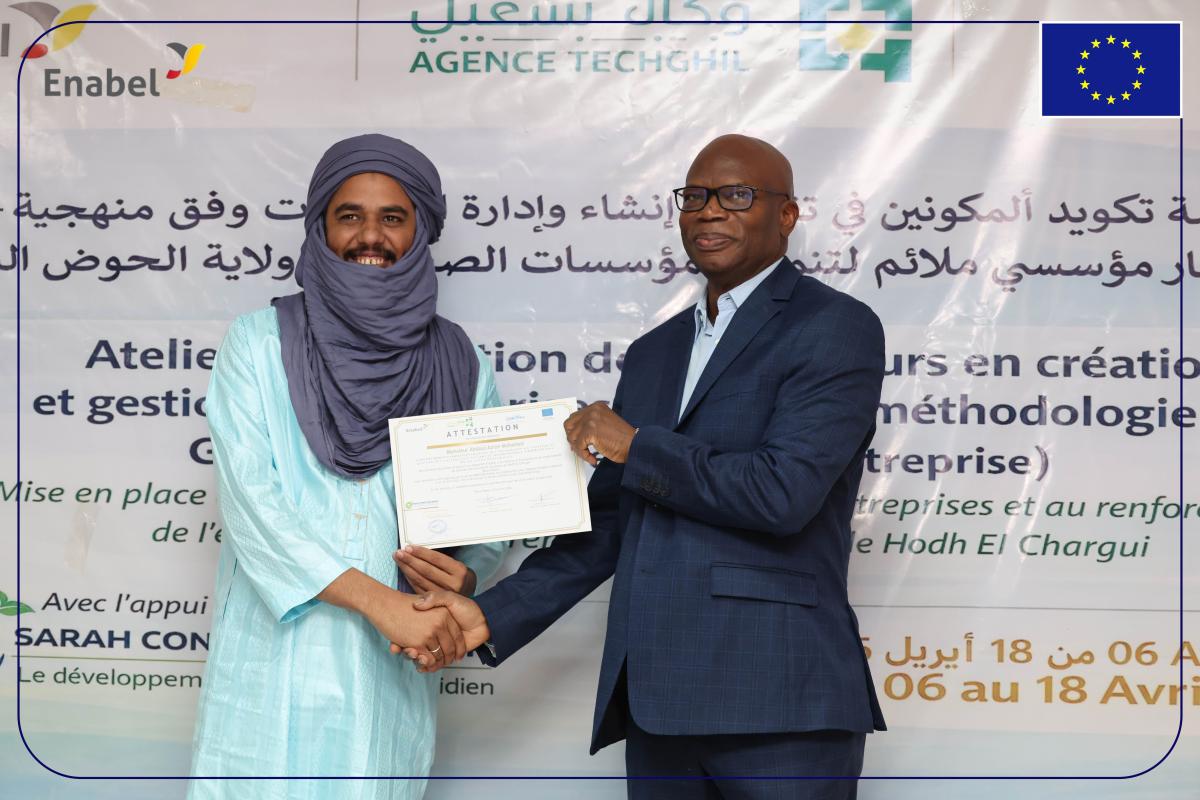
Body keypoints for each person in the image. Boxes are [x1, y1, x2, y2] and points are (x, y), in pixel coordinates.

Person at [405, 134, 886, 799]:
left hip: (781, 702)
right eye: (695, 196)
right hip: (658, 702)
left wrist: (637, 446)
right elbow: (612, 524)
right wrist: (488, 614)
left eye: (737, 195)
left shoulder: (835, 326)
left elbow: (784, 493)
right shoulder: (654, 353)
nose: (709, 210)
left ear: (786, 215)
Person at [188, 134, 505, 800]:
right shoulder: (257, 344)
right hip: (273, 663)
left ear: (420, 229)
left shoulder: (460, 363)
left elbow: (485, 517)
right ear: (320, 226)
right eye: (349, 215)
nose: (370, 236)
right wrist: (381, 603)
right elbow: (253, 508)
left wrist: (466, 573)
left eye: (392, 217)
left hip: (390, 670)